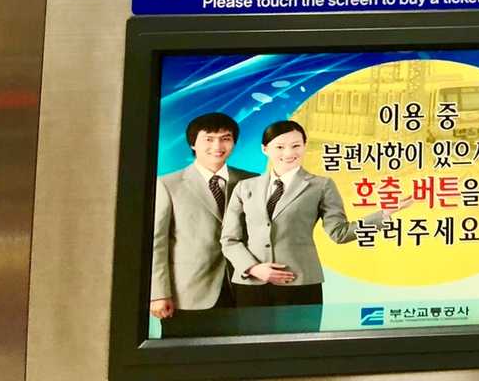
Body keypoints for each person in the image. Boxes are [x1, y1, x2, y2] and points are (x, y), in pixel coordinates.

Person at [221, 119, 410, 307]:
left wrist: (383, 215)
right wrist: (253, 268)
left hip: (299, 283)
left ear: (305, 146)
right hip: (251, 284)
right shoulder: (245, 187)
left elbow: (340, 233)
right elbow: (229, 239)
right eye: (280, 147)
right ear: (265, 149)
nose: (289, 153)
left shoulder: (321, 186)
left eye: (296, 146)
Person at [150, 112, 257, 337]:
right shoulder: (168, 184)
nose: (217, 146)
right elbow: (156, 243)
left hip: (245, 288)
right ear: (193, 143)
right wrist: (158, 293)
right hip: (189, 292)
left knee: (242, 353)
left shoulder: (252, 181)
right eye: (209, 139)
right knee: (184, 354)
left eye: (225, 138)